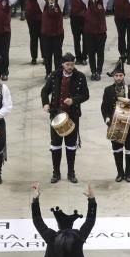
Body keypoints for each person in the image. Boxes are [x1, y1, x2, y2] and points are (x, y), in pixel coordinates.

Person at [41, 53, 90, 183]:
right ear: (62, 64)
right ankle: (56, 173)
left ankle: (71, 172)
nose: (70, 67)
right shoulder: (54, 75)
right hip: (56, 115)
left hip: (72, 115)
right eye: (68, 65)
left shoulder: (80, 77)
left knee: (70, 145)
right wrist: (45, 103)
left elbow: (85, 95)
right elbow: (44, 91)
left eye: (72, 65)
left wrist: (73, 100)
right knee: (56, 145)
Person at [100, 58, 130, 182]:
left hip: (129, 123)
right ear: (113, 77)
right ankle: (120, 173)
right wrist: (107, 119)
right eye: (116, 76)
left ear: (124, 76)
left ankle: (128, 173)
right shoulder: (108, 90)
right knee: (117, 149)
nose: (119, 78)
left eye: (120, 75)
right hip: (115, 123)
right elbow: (104, 107)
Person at [80, 0, 112, 81]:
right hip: (89, 32)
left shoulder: (103, 2)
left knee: (100, 53)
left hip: (100, 32)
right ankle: (93, 71)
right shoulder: (87, 2)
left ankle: (98, 72)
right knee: (91, 53)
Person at [37, 0, 66, 75]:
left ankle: (58, 74)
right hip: (46, 36)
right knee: (47, 56)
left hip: (58, 35)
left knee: (58, 56)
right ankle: (48, 73)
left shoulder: (60, 5)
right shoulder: (43, 5)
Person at [65, 0, 89, 65]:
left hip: (85, 14)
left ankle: (84, 57)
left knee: (86, 37)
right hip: (75, 14)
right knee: (76, 38)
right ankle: (78, 57)